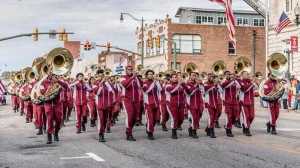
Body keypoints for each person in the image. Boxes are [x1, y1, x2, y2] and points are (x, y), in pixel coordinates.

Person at [39, 74, 68, 144]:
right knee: (49, 120)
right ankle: (49, 136)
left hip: (58, 104)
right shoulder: (43, 82)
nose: (51, 76)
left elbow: (66, 87)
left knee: (59, 120)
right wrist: (49, 89)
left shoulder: (59, 82)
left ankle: (56, 133)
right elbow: (42, 92)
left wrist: (58, 81)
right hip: (48, 104)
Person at [120, 65, 142, 141]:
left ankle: (128, 130)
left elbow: (141, 85)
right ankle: (129, 133)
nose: (130, 70)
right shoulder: (123, 77)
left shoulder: (135, 78)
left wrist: (137, 77)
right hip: (127, 100)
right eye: (129, 69)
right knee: (130, 115)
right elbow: (125, 85)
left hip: (135, 100)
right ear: (126, 70)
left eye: (131, 69)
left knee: (135, 117)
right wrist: (132, 77)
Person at [94, 73, 115, 142]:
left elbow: (112, 91)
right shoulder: (95, 84)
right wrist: (101, 83)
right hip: (100, 106)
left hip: (107, 106)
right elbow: (97, 93)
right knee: (101, 120)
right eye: (100, 76)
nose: (102, 77)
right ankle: (101, 134)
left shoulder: (107, 84)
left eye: (103, 76)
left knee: (105, 121)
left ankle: (102, 132)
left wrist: (107, 82)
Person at [165, 72, 186, 139]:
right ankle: (174, 133)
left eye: (176, 77)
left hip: (181, 104)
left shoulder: (181, 85)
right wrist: (179, 84)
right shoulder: (168, 85)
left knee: (181, 119)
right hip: (171, 104)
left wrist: (183, 84)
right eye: (173, 77)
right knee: (174, 118)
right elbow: (172, 91)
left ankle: (177, 126)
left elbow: (187, 92)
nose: (175, 78)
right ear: (170, 78)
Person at [221, 71, 241, 137]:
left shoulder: (235, 81)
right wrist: (232, 81)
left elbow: (239, 87)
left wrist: (236, 79)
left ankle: (228, 125)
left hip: (234, 101)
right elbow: (224, 86)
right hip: (227, 102)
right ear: (225, 75)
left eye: (230, 74)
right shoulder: (224, 81)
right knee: (229, 116)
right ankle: (228, 130)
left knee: (235, 116)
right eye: (228, 75)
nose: (229, 76)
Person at [185, 71, 204, 138]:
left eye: (195, 75)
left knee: (197, 118)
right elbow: (190, 93)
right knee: (194, 118)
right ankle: (194, 132)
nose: (194, 77)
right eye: (193, 75)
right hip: (191, 104)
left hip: (199, 104)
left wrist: (200, 85)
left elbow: (203, 92)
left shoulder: (199, 84)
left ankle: (190, 129)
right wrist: (196, 85)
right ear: (190, 76)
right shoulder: (188, 84)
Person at [142, 70, 160, 140]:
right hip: (148, 104)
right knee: (150, 119)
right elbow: (147, 90)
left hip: (156, 104)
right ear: (147, 75)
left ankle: (149, 126)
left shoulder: (155, 82)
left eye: (152, 74)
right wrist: (154, 83)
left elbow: (160, 89)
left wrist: (157, 82)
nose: (151, 75)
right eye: (149, 74)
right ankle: (150, 133)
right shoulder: (144, 83)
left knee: (155, 120)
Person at [239, 71, 255, 136]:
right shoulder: (241, 82)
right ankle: (247, 129)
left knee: (252, 116)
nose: (248, 75)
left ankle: (245, 124)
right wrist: (252, 83)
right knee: (246, 116)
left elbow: (255, 90)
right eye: (246, 74)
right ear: (242, 75)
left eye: (248, 74)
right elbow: (245, 89)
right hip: (244, 102)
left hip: (251, 102)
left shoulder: (250, 82)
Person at [204, 74, 220, 138]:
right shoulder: (206, 84)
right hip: (208, 104)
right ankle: (211, 131)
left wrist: (218, 85)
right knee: (211, 118)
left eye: (213, 77)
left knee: (214, 118)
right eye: (210, 77)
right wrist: (214, 85)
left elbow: (221, 91)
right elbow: (205, 90)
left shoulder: (216, 85)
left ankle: (208, 129)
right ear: (208, 77)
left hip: (215, 103)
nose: (212, 78)